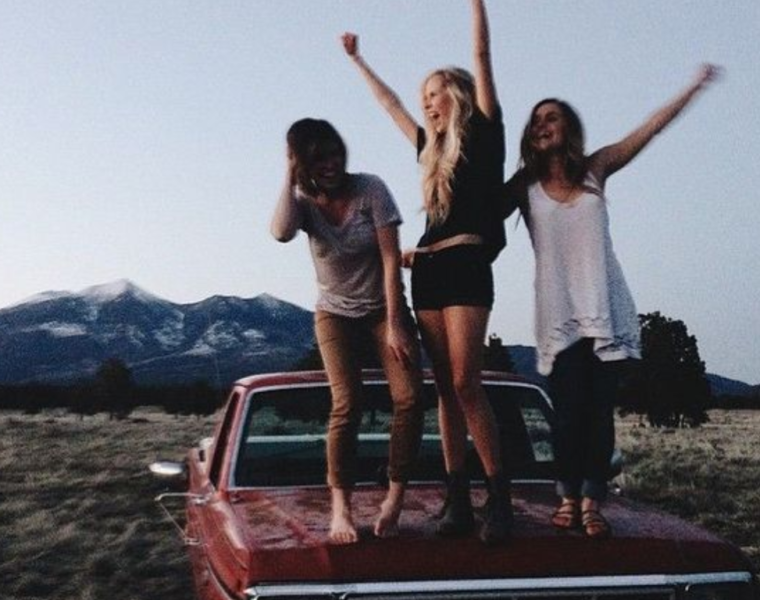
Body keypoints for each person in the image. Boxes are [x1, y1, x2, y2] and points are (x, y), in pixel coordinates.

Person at [502, 64, 721, 538]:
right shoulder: (523, 186)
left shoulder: (595, 168)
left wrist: (692, 88)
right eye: (536, 119)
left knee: (599, 414)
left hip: (605, 309)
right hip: (559, 315)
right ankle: (566, 495)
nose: (542, 124)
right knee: (567, 414)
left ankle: (590, 501)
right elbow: (476, 217)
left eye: (552, 117)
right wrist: (426, 252)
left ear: (569, 127)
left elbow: (649, 130)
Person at [342, 0, 511, 544]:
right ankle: (457, 500)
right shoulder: (428, 150)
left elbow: (482, 54)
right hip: (430, 271)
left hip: (467, 266)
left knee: (465, 382)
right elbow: (389, 103)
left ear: (457, 93)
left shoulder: (485, 133)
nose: (427, 103)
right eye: (424, 98)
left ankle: (499, 499)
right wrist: (359, 61)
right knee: (444, 389)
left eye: (435, 93)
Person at [270, 118, 424, 544]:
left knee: (410, 397)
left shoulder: (371, 189)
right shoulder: (303, 201)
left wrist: (396, 323)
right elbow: (280, 232)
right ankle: (342, 508)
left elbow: (391, 260)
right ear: (303, 163)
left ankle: (394, 498)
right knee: (347, 403)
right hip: (334, 314)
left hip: (383, 308)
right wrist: (289, 173)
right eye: (319, 158)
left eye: (336, 153)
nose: (332, 164)